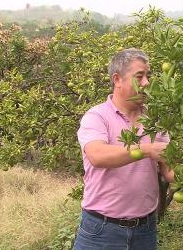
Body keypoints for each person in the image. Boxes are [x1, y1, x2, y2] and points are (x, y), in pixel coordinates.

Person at [73, 48, 174, 250]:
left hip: (145, 230)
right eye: (140, 76)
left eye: (148, 76)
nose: (146, 82)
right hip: (101, 230)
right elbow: (97, 156)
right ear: (117, 79)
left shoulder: (155, 120)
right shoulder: (97, 117)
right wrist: (146, 150)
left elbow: (170, 172)